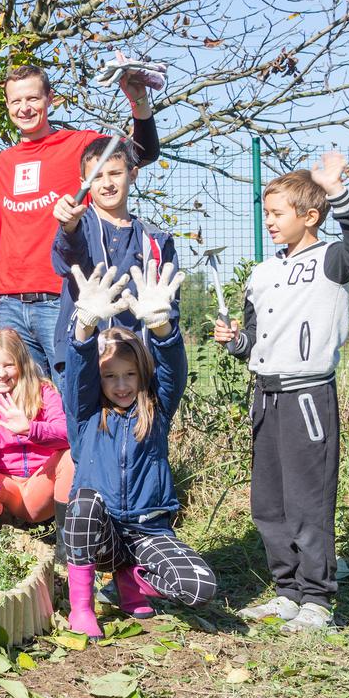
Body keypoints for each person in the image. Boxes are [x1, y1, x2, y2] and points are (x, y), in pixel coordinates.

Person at [216, 152, 349, 631]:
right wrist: (235, 342)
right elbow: (251, 339)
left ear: (309, 216)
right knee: (271, 503)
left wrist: (335, 190)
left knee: (309, 503)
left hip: (308, 397)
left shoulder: (331, 257)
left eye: (277, 213)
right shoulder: (262, 274)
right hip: (264, 399)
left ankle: (317, 602)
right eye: (265, 213)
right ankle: (286, 593)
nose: (269, 221)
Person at [63, 261, 214, 641]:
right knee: (82, 502)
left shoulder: (156, 409)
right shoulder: (86, 413)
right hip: (104, 534)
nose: (121, 385)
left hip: (149, 531)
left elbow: (172, 372)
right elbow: (79, 372)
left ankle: (131, 582)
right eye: (110, 376)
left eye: (129, 375)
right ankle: (81, 607)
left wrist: (162, 328)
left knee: (199, 588)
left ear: (141, 374)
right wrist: (84, 328)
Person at [0, 62, 159, 374]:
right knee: (18, 408)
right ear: (7, 105)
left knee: (71, 398)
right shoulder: (3, 162)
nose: (24, 108)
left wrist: (138, 101)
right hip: (9, 304)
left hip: (61, 297)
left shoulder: (78, 144)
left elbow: (143, 153)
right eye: (16, 101)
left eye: (33, 99)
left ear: (50, 99)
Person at [50, 136, 176, 376]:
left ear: (133, 174)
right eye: (96, 177)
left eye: (115, 173)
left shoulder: (156, 240)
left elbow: (171, 308)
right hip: (82, 360)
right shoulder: (77, 227)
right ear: (84, 183)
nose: (106, 183)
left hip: (137, 365)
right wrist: (68, 229)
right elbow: (63, 264)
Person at [0, 327, 73, 526]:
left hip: (41, 485)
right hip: (7, 485)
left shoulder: (44, 393)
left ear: (21, 365)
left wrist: (31, 430)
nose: (1, 373)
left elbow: (68, 435)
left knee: (70, 457)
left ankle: (67, 543)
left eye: (9, 365)